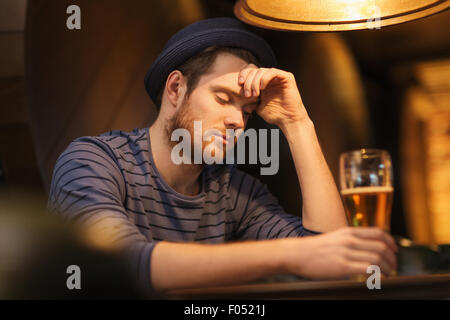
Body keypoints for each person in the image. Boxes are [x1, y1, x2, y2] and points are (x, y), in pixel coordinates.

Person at [48, 17, 397, 294]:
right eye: (223, 98)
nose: (237, 121)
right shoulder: (93, 161)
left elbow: (331, 258)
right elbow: (120, 265)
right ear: (175, 89)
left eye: (247, 110)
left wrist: (297, 124)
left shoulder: (235, 191)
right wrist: (296, 255)